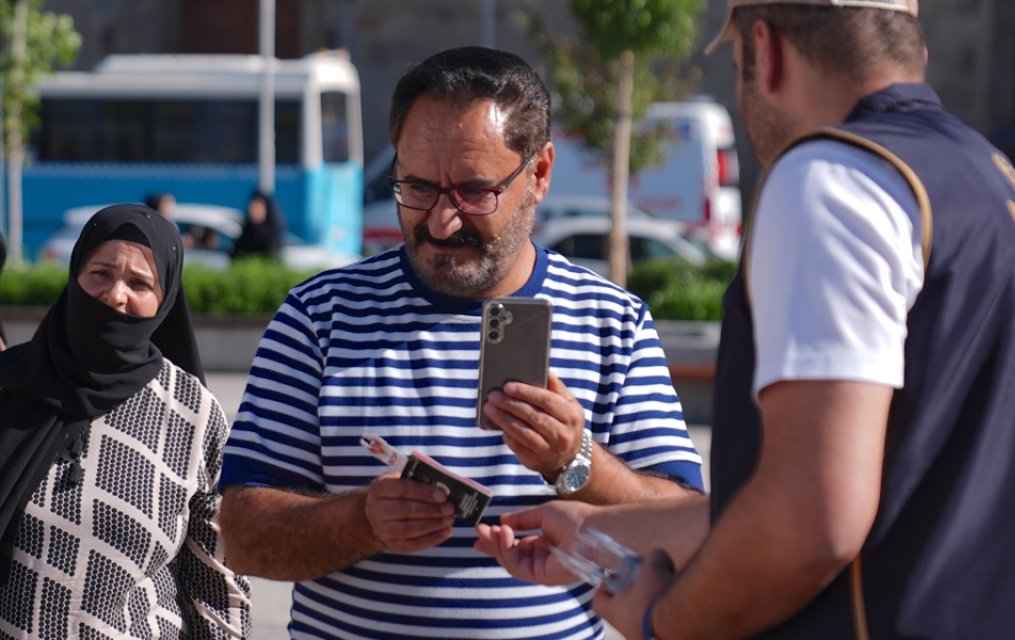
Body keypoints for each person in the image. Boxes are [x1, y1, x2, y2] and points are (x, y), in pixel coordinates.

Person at [476, 1, 1015, 638]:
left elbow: (813, 519)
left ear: (765, 51)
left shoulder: (832, 176)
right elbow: (857, 495)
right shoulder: (1005, 192)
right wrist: (603, 531)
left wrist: (666, 621)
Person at [216, 46, 704, 639]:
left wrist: (576, 464)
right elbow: (240, 535)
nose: (442, 221)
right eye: (417, 187)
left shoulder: (612, 323)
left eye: (474, 192)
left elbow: (683, 531)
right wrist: (361, 520)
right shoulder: (318, 317)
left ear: (540, 174)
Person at [0, 204, 250, 637]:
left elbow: (216, 580)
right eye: (101, 273)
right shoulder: (10, 387)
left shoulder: (192, 414)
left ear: (165, 298)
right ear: (75, 275)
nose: (116, 294)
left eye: (139, 283)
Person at [230, 189, 284, 259]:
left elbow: (272, 255)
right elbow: (236, 254)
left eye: (258, 207)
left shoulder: (272, 232)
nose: (255, 210)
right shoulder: (246, 230)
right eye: (253, 206)